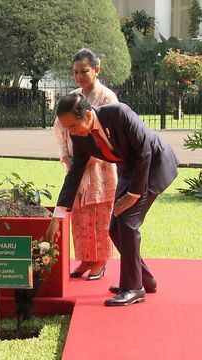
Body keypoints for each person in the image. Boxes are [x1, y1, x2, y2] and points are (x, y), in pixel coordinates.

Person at [45, 93, 179, 306]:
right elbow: (74, 173)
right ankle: (143, 279)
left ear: (88, 115)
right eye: (66, 128)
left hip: (153, 165)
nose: (70, 132)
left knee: (127, 222)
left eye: (72, 126)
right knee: (114, 230)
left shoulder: (118, 112)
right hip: (130, 171)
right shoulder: (80, 137)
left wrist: (133, 195)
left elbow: (144, 151)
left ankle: (133, 288)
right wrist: (57, 216)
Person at [53, 48, 118, 281]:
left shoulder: (107, 98)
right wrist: (67, 157)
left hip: (101, 166)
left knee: (100, 213)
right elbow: (60, 128)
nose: (80, 77)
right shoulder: (73, 97)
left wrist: (90, 156)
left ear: (96, 70)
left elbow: (109, 133)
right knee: (79, 214)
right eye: (75, 72)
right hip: (76, 164)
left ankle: (100, 260)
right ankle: (85, 258)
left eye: (84, 71)